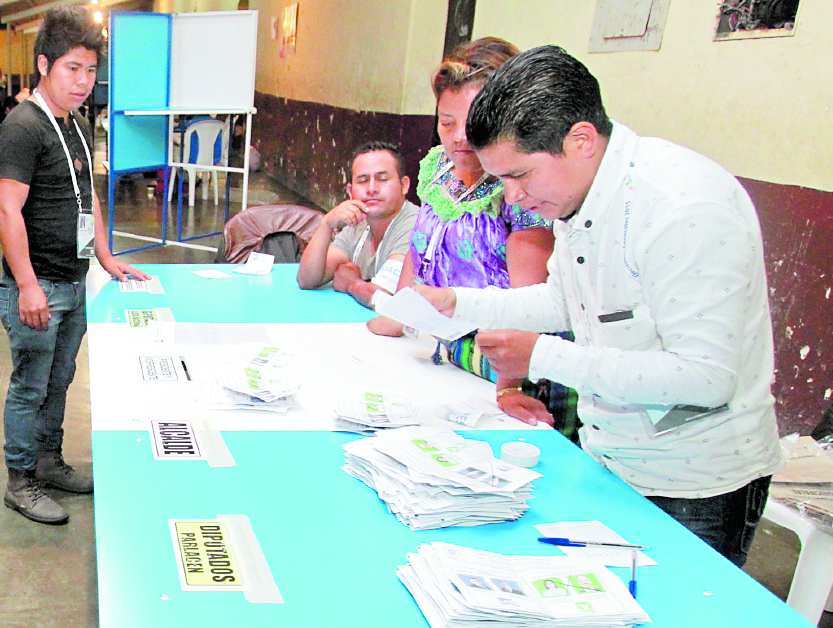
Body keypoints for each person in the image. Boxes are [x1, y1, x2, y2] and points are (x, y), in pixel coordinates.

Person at [414, 45, 784, 567]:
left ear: (580, 140)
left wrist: (540, 358)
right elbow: (566, 303)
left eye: (519, 176)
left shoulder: (682, 207)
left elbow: (705, 377)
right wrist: (459, 302)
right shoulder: (578, 193)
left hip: (695, 485)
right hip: (611, 455)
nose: (513, 198)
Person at [367, 38, 576, 432]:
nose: (458, 137)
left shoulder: (519, 187)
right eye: (446, 122)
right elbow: (421, 244)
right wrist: (399, 315)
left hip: (513, 367)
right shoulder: (439, 168)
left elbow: (526, 299)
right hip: (452, 353)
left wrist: (509, 387)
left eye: (472, 122)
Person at [0, 6, 148, 524]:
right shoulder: (22, 127)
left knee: (59, 380)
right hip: (38, 287)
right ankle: (21, 481)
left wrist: (106, 257)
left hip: (74, 279)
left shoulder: (75, 124)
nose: (83, 82)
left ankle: (48, 461)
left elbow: (88, 198)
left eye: (90, 71)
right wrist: (27, 286)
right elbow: (7, 209)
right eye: (71, 69)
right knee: (30, 384)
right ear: (44, 65)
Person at [296, 141, 419, 308]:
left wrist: (351, 284)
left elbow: (387, 300)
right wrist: (326, 224)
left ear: (404, 185)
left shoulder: (416, 225)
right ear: (350, 191)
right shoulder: (358, 225)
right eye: (362, 181)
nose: (372, 188)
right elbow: (307, 279)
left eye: (382, 179)